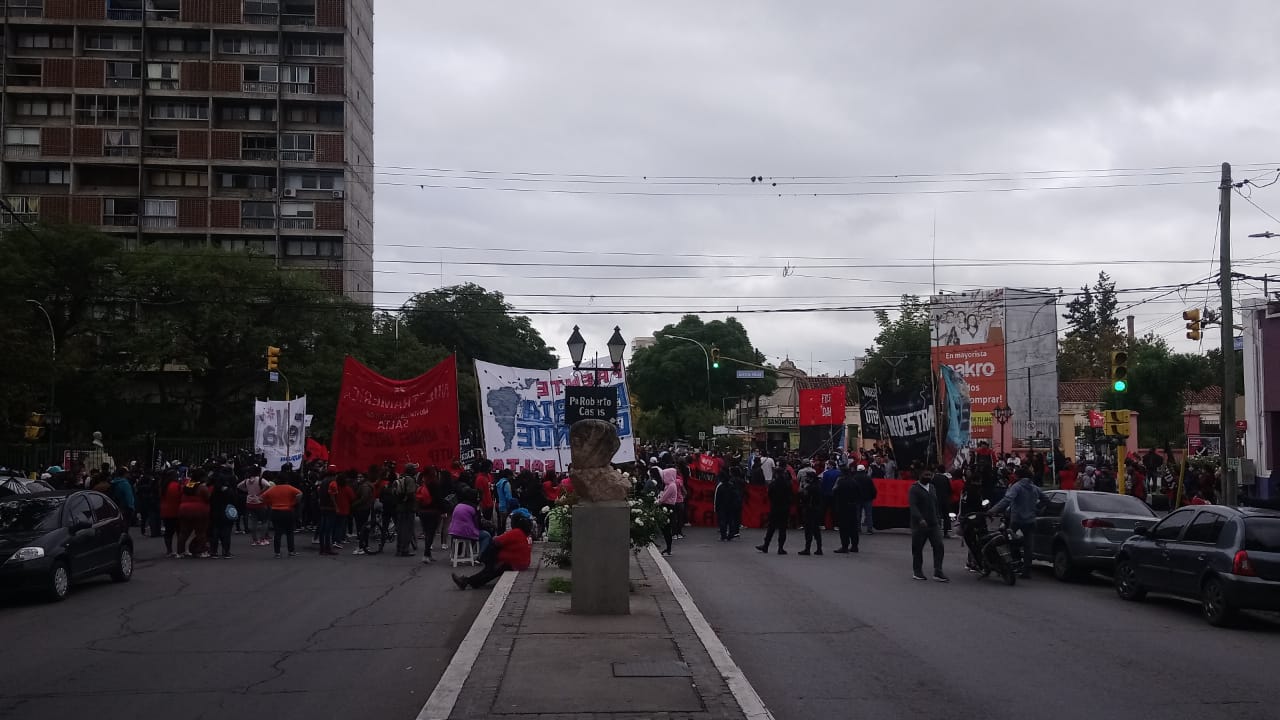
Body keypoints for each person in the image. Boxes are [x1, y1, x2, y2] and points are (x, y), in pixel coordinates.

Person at [989, 468, 1045, 578]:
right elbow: (1046, 500)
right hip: (1031, 520)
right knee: (1029, 546)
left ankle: (1007, 565)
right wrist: (1036, 509)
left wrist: (993, 510)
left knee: (1006, 541)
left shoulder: (1017, 487)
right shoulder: (1035, 488)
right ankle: (1026, 571)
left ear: (1019, 476)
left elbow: (1007, 500)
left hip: (1017, 520)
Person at [451, 515, 533, 590]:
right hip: (520, 562)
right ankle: (470, 580)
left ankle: (467, 580)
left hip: (513, 563)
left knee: (491, 567)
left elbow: (497, 541)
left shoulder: (516, 532)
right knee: (491, 570)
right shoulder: (524, 535)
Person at [909, 471, 948, 582]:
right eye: (925, 475)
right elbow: (913, 506)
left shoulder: (932, 487)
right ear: (920, 476)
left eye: (930, 475)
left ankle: (938, 571)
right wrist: (920, 519)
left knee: (939, 545)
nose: (928, 477)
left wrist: (938, 518)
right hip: (920, 525)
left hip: (933, 523)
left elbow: (936, 504)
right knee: (917, 548)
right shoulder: (914, 489)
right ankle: (917, 571)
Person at [261, 476, 303, 558]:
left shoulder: (272, 489)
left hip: (276, 511)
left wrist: (270, 503)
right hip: (288, 511)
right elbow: (300, 494)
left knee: (277, 533)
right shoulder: (289, 487)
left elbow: (262, 497)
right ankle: (291, 551)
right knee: (290, 532)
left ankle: (277, 553)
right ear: (286, 481)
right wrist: (294, 502)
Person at [757, 463, 793, 555]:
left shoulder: (773, 484)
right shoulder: (787, 483)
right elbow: (790, 495)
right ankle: (780, 548)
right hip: (784, 507)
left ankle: (766, 545)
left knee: (771, 527)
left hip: (775, 507)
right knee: (782, 528)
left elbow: (770, 495)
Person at [176, 469, 212, 558]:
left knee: (184, 532)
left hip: (184, 509)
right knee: (201, 532)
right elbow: (208, 498)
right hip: (199, 511)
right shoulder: (202, 487)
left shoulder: (188, 485)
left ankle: (180, 552)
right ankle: (202, 551)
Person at [448, 488, 491, 554]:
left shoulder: (459, 505)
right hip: (465, 532)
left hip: (453, 531)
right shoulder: (474, 507)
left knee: (473, 532)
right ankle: (481, 556)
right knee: (486, 535)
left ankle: (464, 553)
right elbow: (478, 524)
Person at [237, 467, 273, 547]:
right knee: (264, 521)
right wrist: (261, 492)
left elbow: (239, 486)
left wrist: (247, 491)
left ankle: (255, 540)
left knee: (254, 521)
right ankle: (262, 539)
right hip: (259, 502)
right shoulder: (260, 480)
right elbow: (268, 485)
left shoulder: (247, 480)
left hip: (249, 502)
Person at [832, 464, 863, 553]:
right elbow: (859, 494)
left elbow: (834, 492)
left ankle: (845, 546)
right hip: (853, 506)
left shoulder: (841, 482)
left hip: (843, 506)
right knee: (853, 527)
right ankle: (854, 545)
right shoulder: (854, 482)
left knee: (844, 527)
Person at [417, 468, 445, 563]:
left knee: (426, 532)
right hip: (433, 511)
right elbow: (439, 499)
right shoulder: (435, 484)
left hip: (422, 511)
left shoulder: (423, 483)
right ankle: (426, 554)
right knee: (431, 533)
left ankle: (428, 554)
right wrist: (443, 510)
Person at [797, 462, 824, 556]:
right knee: (816, 530)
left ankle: (807, 548)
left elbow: (804, 497)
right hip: (817, 509)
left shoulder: (810, 488)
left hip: (810, 509)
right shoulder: (818, 486)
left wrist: (803, 491)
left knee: (808, 530)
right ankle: (819, 548)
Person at [394, 464, 420, 556]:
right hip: (408, 507)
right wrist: (415, 502)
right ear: (411, 470)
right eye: (414, 469)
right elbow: (410, 493)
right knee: (407, 529)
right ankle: (405, 550)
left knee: (400, 529)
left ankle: (399, 549)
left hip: (400, 506)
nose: (416, 471)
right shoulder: (410, 480)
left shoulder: (401, 478)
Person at [159, 469, 183, 558]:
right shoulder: (177, 485)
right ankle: (180, 550)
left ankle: (169, 550)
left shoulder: (163, 486)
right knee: (179, 531)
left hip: (165, 510)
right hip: (176, 510)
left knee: (168, 531)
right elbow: (180, 496)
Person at [713, 467, 740, 541]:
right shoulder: (731, 486)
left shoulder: (720, 487)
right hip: (731, 506)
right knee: (731, 520)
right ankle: (731, 534)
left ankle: (723, 535)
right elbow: (736, 496)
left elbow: (717, 498)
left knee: (723, 521)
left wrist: (716, 508)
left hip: (722, 507)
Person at [350, 473, 374, 555]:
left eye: (361, 477)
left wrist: (354, 504)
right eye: (358, 476)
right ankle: (364, 545)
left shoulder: (364, 486)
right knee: (363, 528)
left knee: (361, 528)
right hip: (364, 508)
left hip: (362, 509)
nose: (359, 478)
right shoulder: (364, 485)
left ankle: (362, 546)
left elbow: (363, 498)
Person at [657, 467, 678, 555]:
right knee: (665, 528)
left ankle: (668, 548)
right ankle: (668, 547)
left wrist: (658, 501)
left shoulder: (671, 486)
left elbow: (664, 497)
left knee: (666, 528)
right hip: (666, 506)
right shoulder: (669, 485)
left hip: (668, 507)